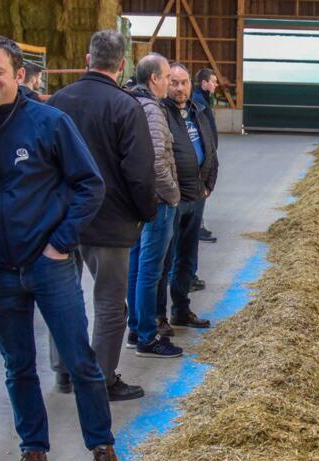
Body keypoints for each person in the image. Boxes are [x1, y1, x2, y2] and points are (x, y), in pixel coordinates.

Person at [0, 35, 123, 461]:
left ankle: (102, 445)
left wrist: (61, 242)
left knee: (79, 359)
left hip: (48, 265)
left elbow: (90, 184)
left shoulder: (49, 122)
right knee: (18, 367)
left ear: (19, 76)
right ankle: (33, 449)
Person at [46, 30, 157, 398]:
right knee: (110, 302)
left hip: (63, 221)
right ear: (122, 64)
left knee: (66, 297)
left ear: (87, 57)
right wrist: (145, 212)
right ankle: (102, 379)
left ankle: (63, 372)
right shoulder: (126, 106)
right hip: (110, 222)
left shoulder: (58, 101)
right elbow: (139, 171)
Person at [126, 53, 183, 358]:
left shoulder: (132, 102)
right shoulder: (152, 110)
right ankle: (147, 335)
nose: (169, 83)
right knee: (151, 268)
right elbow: (158, 159)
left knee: (138, 264)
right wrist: (172, 193)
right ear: (154, 80)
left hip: (139, 199)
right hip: (158, 201)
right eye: (166, 77)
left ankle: (136, 328)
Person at [159, 63, 217, 334]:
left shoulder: (198, 112)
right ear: (164, 83)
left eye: (184, 82)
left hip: (197, 195)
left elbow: (211, 148)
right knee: (163, 259)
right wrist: (171, 191)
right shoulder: (161, 113)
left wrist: (208, 184)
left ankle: (180, 309)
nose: (180, 88)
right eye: (174, 82)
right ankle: (158, 317)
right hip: (173, 199)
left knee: (187, 256)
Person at [191, 68, 220, 244]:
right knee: (199, 190)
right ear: (204, 83)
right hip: (201, 158)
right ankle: (196, 226)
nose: (216, 85)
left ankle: (198, 224)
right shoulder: (198, 102)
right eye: (213, 81)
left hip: (207, 154)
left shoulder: (204, 100)